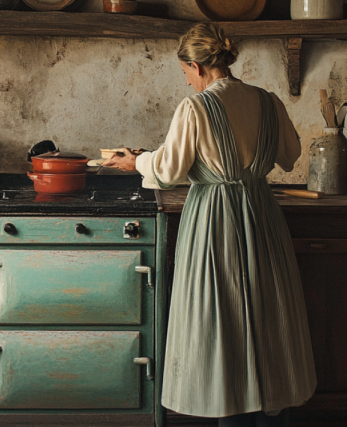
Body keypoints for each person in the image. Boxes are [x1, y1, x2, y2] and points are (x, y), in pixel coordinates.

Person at [104, 23, 316, 427]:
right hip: (262, 215)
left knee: (223, 316)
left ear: (197, 67)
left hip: (216, 219)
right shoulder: (269, 102)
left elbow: (167, 170)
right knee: (267, 314)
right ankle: (271, 411)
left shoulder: (196, 107)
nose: (186, 78)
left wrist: (136, 161)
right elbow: (289, 154)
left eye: (184, 70)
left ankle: (230, 410)